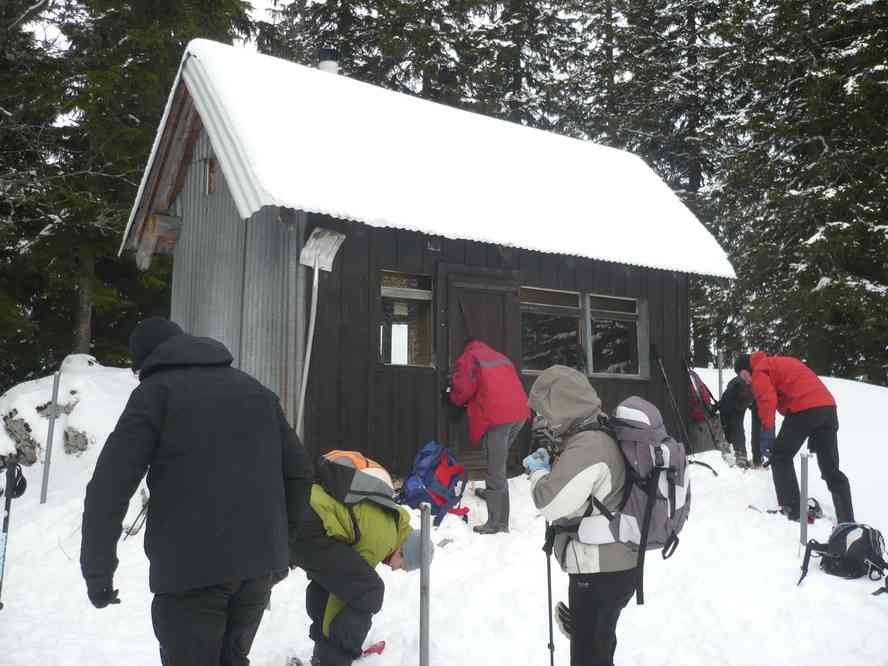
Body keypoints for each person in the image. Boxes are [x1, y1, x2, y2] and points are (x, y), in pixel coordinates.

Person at [80, 317, 312, 666]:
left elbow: (108, 489)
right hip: (256, 569)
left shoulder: (154, 394)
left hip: (188, 574)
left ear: (144, 362)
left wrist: (98, 572)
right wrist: (281, 550)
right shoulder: (256, 390)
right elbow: (300, 474)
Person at [523, 366, 637, 666]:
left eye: (545, 411)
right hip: (615, 564)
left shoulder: (589, 445)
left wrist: (538, 472)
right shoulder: (598, 430)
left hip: (599, 572)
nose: (542, 420)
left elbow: (550, 502)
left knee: (589, 657)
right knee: (599, 645)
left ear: (563, 404)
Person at [288, 471, 433, 666]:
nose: (394, 569)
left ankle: (325, 652)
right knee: (370, 592)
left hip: (301, 511)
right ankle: (330, 659)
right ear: (403, 551)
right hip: (310, 524)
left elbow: (338, 580)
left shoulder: (390, 520)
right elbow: (344, 594)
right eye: (403, 567)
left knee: (331, 581)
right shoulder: (384, 538)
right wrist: (333, 648)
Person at [735, 352, 854, 523]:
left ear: (747, 368)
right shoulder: (776, 364)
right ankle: (847, 521)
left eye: (743, 375)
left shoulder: (760, 370)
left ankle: (793, 510)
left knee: (780, 456)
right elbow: (785, 397)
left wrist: (767, 433)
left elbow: (767, 400)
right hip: (828, 408)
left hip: (805, 407)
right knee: (830, 469)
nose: (746, 380)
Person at [448, 338, 530, 534]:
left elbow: (463, 389)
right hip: (519, 414)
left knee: (495, 467)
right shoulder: (500, 357)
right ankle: (494, 497)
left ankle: (497, 522)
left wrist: (452, 396)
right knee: (494, 457)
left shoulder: (469, 357)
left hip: (499, 417)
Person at [718, 373, 762, 467]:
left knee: (736, 424)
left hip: (745, 392)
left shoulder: (750, 389)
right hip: (734, 398)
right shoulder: (732, 394)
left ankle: (741, 453)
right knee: (734, 423)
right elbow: (725, 417)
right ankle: (739, 452)